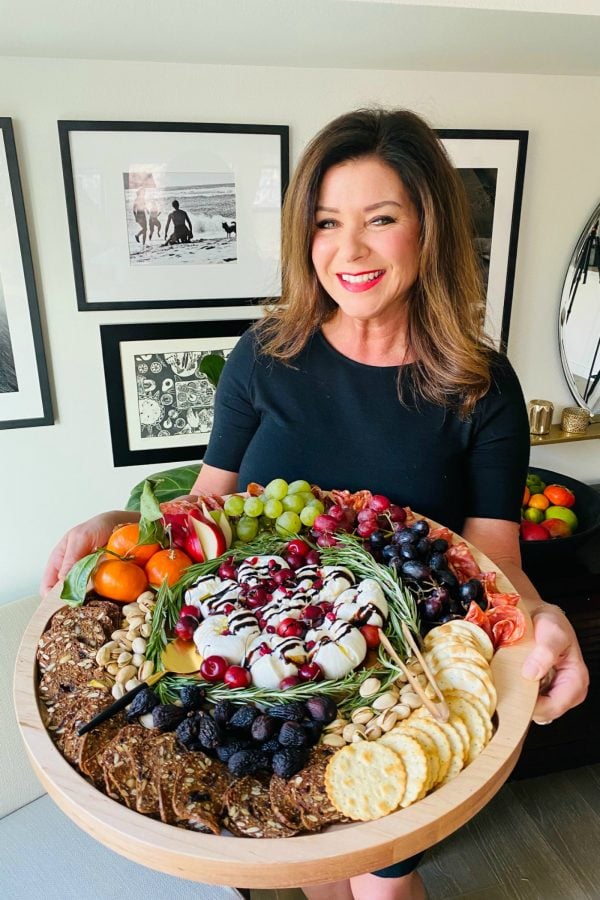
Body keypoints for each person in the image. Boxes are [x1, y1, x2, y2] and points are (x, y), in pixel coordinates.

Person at [41, 108, 589, 900]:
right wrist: (116, 527)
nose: (349, 250)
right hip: (263, 677)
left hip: (394, 692)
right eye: (327, 222)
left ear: (428, 228)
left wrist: (540, 622)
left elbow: (494, 561)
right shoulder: (264, 358)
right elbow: (204, 510)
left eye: (381, 219)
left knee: (383, 887)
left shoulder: (480, 386)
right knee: (312, 878)